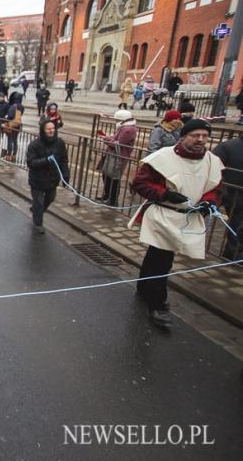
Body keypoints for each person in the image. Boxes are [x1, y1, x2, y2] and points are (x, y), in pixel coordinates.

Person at [129, 119, 223, 329]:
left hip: (188, 218)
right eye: (195, 135)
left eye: (204, 136)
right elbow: (140, 183)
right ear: (183, 136)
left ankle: (144, 289)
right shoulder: (163, 157)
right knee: (163, 260)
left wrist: (209, 201)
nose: (200, 140)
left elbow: (215, 187)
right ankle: (158, 305)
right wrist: (165, 193)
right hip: (164, 215)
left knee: (156, 256)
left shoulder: (211, 161)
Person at [26, 119, 70, 234]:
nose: (51, 131)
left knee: (50, 197)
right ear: (43, 130)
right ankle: (38, 224)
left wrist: (65, 175)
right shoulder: (34, 145)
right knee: (39, 201)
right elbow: (31, 163)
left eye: (52, 128)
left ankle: (36, 210)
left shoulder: (60, 143)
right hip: (37, 180)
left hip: (52, 179)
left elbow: (64, 160)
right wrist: (46, 160)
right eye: (48, 129)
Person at [95, 109, 137, 206]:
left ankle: (113, 200)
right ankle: (107, 195)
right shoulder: (125, 127)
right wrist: (109, 137)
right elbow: (116, 139)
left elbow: (117, 144)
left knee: (113, 178)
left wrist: (106, 139)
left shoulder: (127, 130)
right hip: (114, 155)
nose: (116, 121)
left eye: (117, 119)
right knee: (106, 175)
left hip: (118, 157)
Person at [212, 132, 243, 260]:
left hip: (234, 194)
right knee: (236, 223)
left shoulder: (228, 146)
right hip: (232, 194)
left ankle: (234, 252)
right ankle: (233, 252)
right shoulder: (228, 146)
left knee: (237, 224)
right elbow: (213, 167)